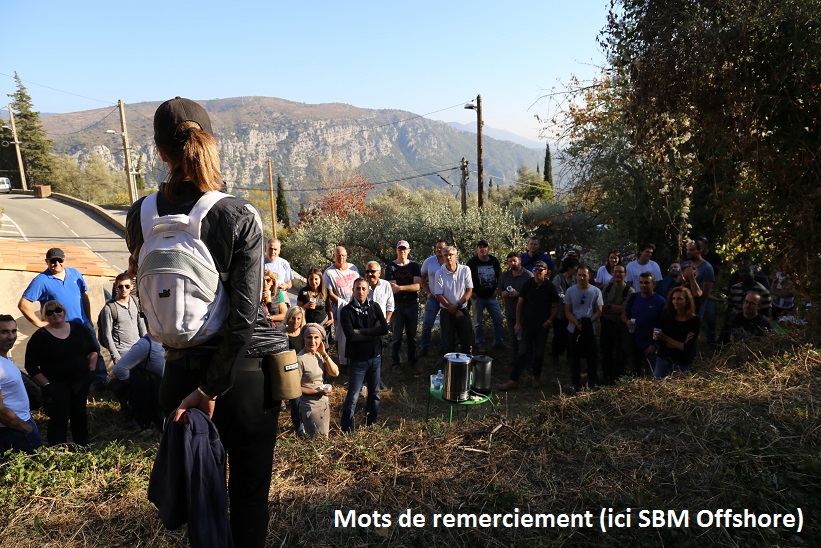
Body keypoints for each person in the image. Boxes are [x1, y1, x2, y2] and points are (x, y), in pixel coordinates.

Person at [125, 97, 276, 547]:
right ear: (210, 142)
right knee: (249, 495)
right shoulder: (236, 213)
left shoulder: (140, 214)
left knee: (199, 498)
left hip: (177, 374)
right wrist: (210, 390)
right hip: (243, 379)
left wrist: (196, 390)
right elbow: (244, 315)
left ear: (159, 151)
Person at [18, 247, 107, 386]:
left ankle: (101, 382)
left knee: (94, 351)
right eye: (53, 261)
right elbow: (23, 304)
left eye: (60, 260)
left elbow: (84, 296)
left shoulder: (75, 273)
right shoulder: (41, 281)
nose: (57, 264)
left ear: (64, 260)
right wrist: (40, 324)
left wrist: (88, 318)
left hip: (82, 324)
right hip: (60, 329)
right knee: (68, 358)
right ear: (47, 262)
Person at [25, 300, 98, 446]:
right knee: (60, 418)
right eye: (50, 312)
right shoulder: (40, 337)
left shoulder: (79, 329)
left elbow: (93, 349)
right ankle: (57, 450)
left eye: (58, 310)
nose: (55, 314)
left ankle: (82, 447)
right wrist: (47, 385)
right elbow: (31, 366)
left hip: (80, 383)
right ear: (45, 316)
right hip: (56, 387)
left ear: (64, 311)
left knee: (79, 415)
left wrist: (91, 369)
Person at [498, 261, 560, 391]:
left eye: (540, 270)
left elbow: (556, 307)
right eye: (535, 270)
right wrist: (518, 323)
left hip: (542, 325)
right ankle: (513, 380)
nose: (537, 272)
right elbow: (520, 304)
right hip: (527, 323)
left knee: (539, 352)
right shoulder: (528, 284)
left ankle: (536, 376)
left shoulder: (550, 287)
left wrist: (549, 321)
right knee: (522, 352)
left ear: (546, 271)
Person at [340, 279, 389, 432]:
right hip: (358, 359)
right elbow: (351, 336)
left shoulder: (375, 307)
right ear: (353, 290)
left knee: (374, 393)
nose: (360, 292)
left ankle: (370, 424)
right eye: (358, 288)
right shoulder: (346, 311)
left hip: (375, 357)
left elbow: (384, 329)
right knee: (353, 396)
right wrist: (373, 333)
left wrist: (362, 331)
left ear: (368, 290)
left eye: (363, 289)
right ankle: (346, 428)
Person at [0, 315, 42, 453]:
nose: (11, 336)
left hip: (21, 422)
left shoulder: (5, 358)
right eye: (4, 332)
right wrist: (26, 429)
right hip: (12, 430)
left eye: (14, 331)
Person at [111, 332, 166, 430]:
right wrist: (136, 383)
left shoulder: (172, 340)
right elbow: (119, 369)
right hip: (153, 396)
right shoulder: (145, 344)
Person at [564, 265, 604, 391]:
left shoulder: (596, 291)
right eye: (579, 275)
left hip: (589, 329)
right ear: (576, 276)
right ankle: (575, 382)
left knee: (592, 357)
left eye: (584, 275)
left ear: (589, 276)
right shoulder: (570, 291)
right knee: (574, 358)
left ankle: (592, 381)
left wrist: (587, 322)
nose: (582, 278)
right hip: (573, 329)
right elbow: (567, 311)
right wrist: (576, 323)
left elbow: (599, 311)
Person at [297, 323, 339, 437]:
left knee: (325, 437)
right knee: (316, 439)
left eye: (316, 337)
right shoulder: (300, 359)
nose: (312, 341)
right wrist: (317, 392)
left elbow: (335, 372)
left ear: (321, 340)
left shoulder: (319, 355)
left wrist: (324, 353)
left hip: (323, 402)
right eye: (309, 337)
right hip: (310, 406)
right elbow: (296, 388)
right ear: (304, 339)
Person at [384, 241, 421, 370]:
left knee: (412, 337)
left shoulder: (414, 266)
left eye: (405, 249)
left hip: (412, 305)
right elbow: (392, 289)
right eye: (400, 249)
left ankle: (413, 362)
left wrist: (400, 287)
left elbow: (417, 286)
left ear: (409, 250)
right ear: (396, 250)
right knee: (397, 337)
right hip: (397, 306)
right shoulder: (391, 267)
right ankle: (396, 363)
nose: (402, 251)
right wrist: (408, 287)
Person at [622, 272, 666, 376]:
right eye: (641, 282)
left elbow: (663, 324)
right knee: (634, 375)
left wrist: (655, 345)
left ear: (653, 284)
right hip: (634, 344)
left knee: (651, 376)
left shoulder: (661, 301)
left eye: (647, 282)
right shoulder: (634, 297)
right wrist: (627, 321)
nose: (643, 285)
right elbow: (624, 314)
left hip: (650, 346)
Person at [99, 272, 147, 366]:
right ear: (116, 287)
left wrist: (146, 345)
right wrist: (116, 356)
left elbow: (141, 325)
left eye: (127, 286)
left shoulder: (136, 301)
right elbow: (107, 335)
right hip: (122, 353)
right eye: (120, 286)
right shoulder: (109, 308)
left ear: (132, 287)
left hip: (139, 349)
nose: (124, 289)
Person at [323, 246, 360, 366]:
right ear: (334, 256)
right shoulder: (329, 272)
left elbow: (359, 286)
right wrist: (344, 304)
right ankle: (343, 362)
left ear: (346, 255)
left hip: (355, 306)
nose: (341, 257)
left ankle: (354, 359)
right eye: (338, 255)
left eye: (343, 255)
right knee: (341, 335)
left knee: (355, 333)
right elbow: (330, 294)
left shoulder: (353, 268)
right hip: (340, 308)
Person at [434, 246, 474, 353]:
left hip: (462, 309)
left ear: (456, 256)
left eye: (450, 255)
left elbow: (469, 291)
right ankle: (450, 363)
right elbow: (439, 295)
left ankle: (467, 362)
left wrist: (458, 306)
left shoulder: (465, 270)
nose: (448, 257)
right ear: (442, 257)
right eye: (445, 255)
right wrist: (455, 310)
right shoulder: (439, 273)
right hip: (447, 311)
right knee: (449, 343)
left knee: (466, 341)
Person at [654, 287, 701, 378]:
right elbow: (657, 339)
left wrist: (666, 338)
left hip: (682, 362)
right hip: (663, 358)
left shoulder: (694, 320)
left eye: (680, 299)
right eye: (674, 298)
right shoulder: (666, 316)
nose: (676, 301)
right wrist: (680, 344)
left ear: (687, 301)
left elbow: (687, 347)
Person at [467, 239, 505, 352]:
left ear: (488, 249)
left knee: (498, 319)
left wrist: (498, 288)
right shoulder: (472, 262)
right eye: (480, 247)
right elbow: (464, 278)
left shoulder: (493, 260)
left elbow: (500, 274)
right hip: (477, 297)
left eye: (485, 247)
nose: (482, 249)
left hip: (492, 296)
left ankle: (498, 342)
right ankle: (480, 343)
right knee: (478, 322)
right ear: (477, 249)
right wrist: (470, 292)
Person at [599, 264, 634, 384]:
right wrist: (616, 308)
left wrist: (610, 307)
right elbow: (601, 306)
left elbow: (625, 309)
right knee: (606, 350)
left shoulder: (629, 290)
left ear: (625, 275)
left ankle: (618, 377)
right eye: (616, 272)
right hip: (606, 324)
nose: (618, 274)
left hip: (621, 325)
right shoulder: (607, 288)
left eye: (620, 272)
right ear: (612, 274)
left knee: (620, 352)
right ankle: (606, 376)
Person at [497, 252, 533, 361]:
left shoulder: (528, 275)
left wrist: (519, 294)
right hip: (510, 311)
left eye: (514, 261)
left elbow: (532, 293)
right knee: (513, 337)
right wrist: (502, 293)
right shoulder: (505, 275)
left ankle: (525, 360)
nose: (512, 263)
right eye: (510, 261)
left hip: (524, 312)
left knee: (523, 338)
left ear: (519, 260)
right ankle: (515, 359)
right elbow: (499, 289)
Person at [419, 240, 448, 357]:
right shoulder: (429, 261)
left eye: (441, 248)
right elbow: (421, 278)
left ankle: (443, 348)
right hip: (434, 298)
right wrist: (428, 292)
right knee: (427, 323)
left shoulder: (452, 260)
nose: (438, 250)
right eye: (437, 247)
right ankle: (424, 348)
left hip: (447, 299)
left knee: (445, 325)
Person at [685, 239, 716, 343]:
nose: (688, 252)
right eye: (687, 250)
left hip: (697, 306)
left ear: (699, 250)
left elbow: (705, 294)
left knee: (691, 335)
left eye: (691, 250)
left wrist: (691, 278)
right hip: (682, 303)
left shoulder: (707, 268)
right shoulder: (685, 265)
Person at [282, 306, 305, 436]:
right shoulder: (283, 335)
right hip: (292, 374)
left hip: (305, 371)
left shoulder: (305, 332)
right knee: (296, 403)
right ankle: (299, 429)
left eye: (298, 319)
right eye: (293, 318)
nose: (295, 322)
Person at [552, 256, 579, 366]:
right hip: (560, 312)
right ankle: (555, 356)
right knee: (558, 335)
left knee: (570, 335)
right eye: (575, 267)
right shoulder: (557, 279)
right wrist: (571, 299)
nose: (577, 269)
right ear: (569, 268)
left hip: (572, 312)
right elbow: (558, 295)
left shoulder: (575, 279)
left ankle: (569, 357)